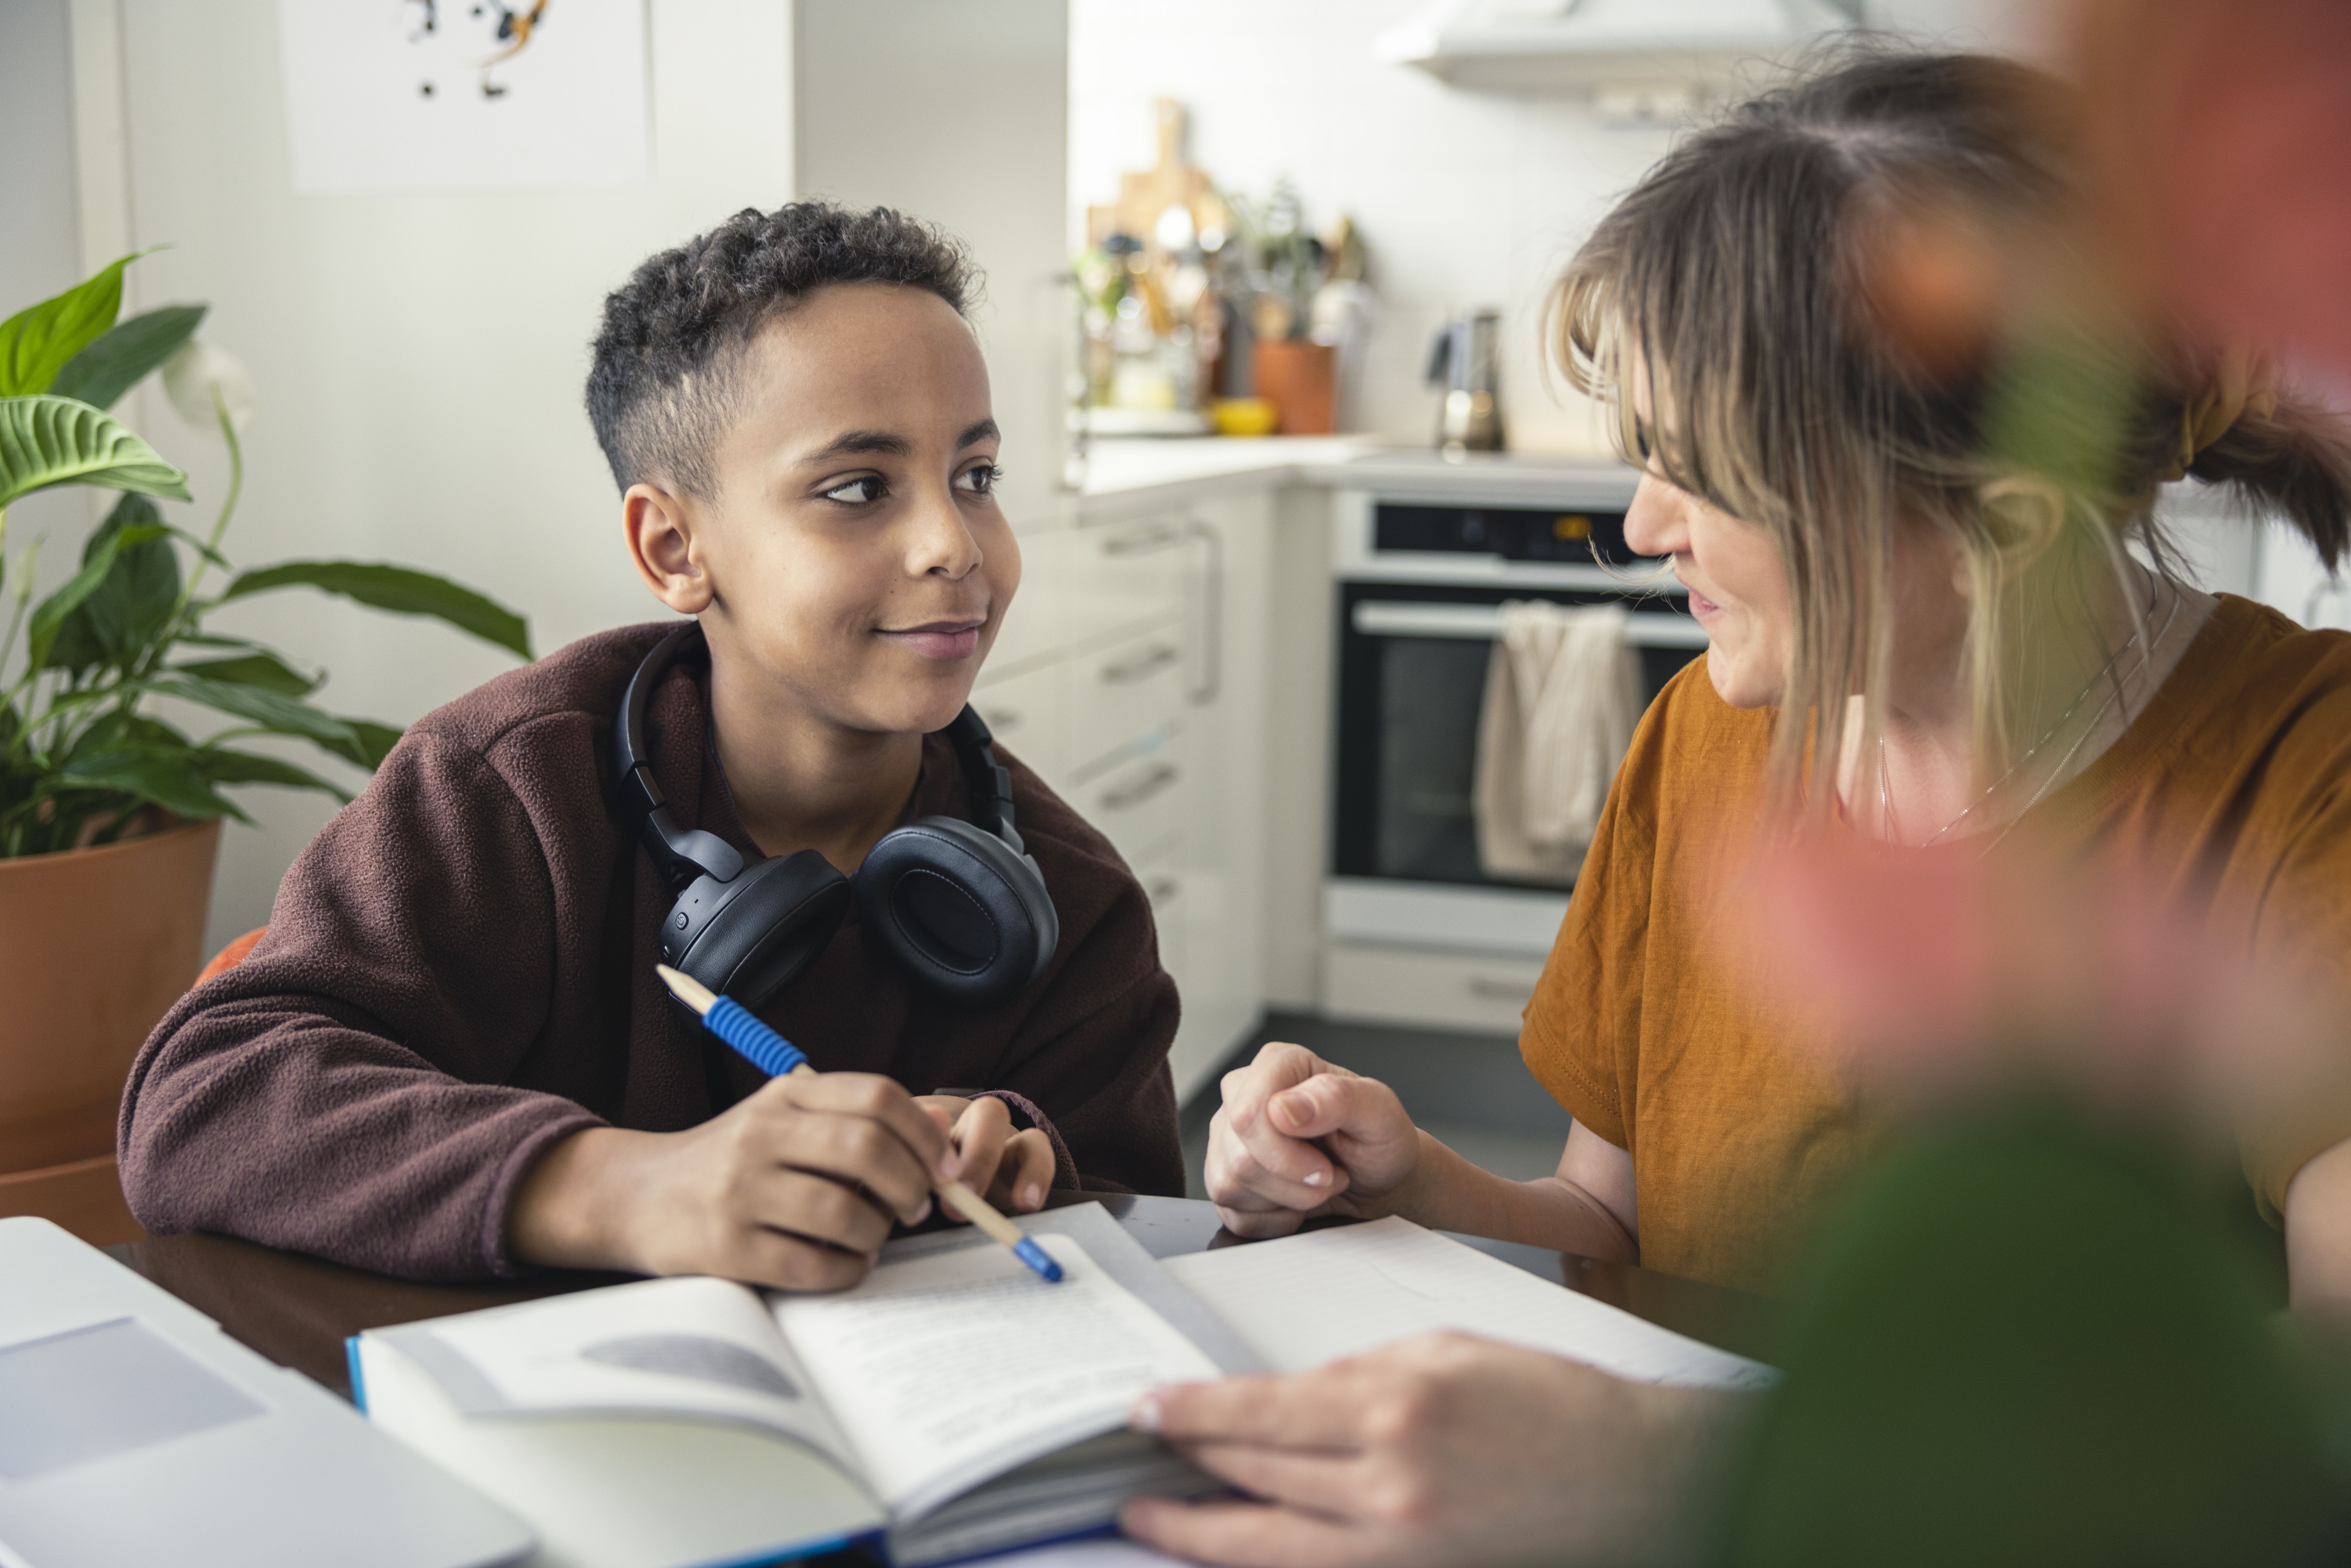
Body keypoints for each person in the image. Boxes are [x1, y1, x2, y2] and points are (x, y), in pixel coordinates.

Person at [1124, 51, 2351, 1566]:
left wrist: (1676, 1466)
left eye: (1708, 473)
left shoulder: (2310, 779)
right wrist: (1408, 1187)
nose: (1642, 526)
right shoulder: (1698, 740)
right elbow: (1624, 1236)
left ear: (1995, 532)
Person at [120, 203, 1185, 1287]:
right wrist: (625, 1186)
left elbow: (1144, 1219)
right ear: (675, 547)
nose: (954, 545)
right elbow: (205, 1096)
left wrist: (1019, 1151)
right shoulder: (509, 786)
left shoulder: (1070, 894)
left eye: (977, 476)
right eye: (859, 488)